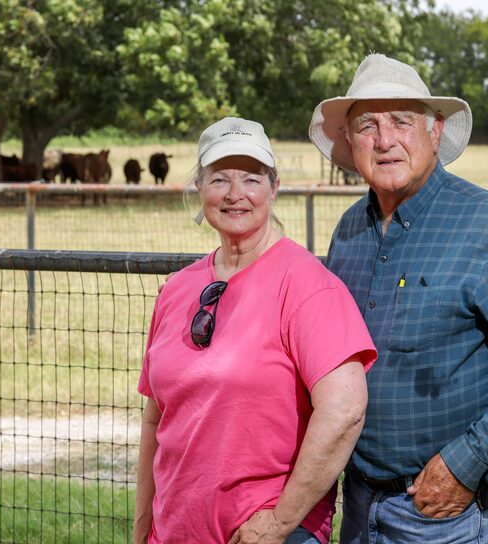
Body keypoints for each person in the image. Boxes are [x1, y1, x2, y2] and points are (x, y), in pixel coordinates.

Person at [309, 53, 488, 543]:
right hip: (357, 502)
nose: (385, 139)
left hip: (444, 514)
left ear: (434, 132)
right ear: (350, 141)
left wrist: (464, 464)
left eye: (402, 121)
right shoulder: (349, 231)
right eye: (367, 125)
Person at [134, 117, 377, 544]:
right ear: (199, 188)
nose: (234, 194)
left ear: (274, 187)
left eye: (251, 179)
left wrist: (278, 525)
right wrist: (142, 530)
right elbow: (155, 422)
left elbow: (344, 412)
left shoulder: (307, 286)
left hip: (263, 535)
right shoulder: (177, 289)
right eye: (219, 179)